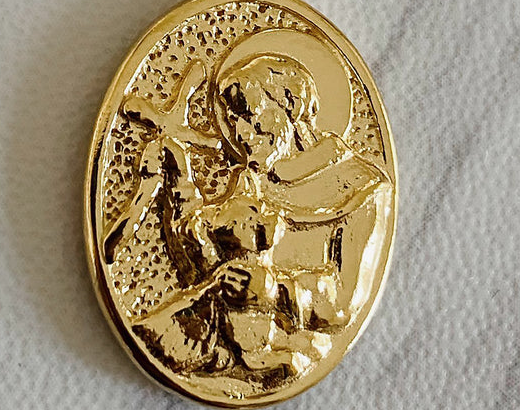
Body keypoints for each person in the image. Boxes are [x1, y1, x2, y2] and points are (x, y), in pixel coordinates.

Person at [108, 43, 391, 382]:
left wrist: (272, 290)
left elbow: (344, 304)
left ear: (288, 110)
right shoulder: (251, 182)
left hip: (292, 351)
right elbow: (206, 261)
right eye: (233, 121)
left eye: (249, 115)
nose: (240, 134)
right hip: (219, 341)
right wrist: (180, 180)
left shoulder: (362, 188)